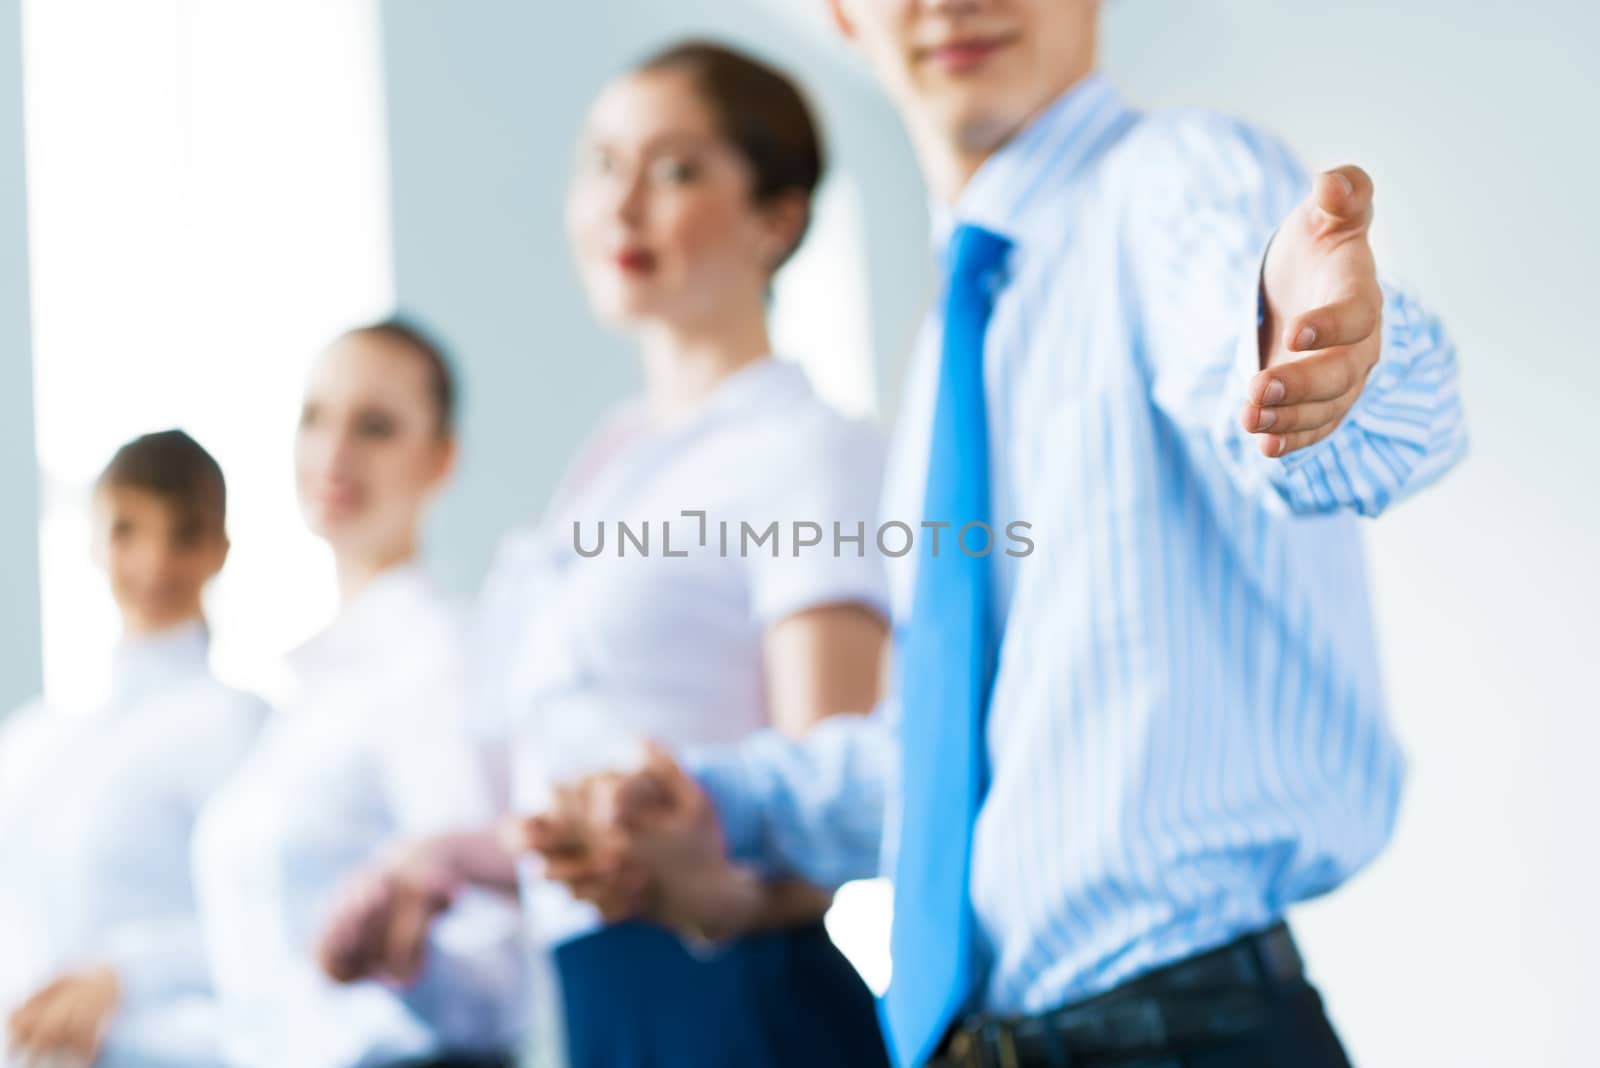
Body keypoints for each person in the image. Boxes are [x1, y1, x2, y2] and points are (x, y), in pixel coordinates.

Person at [525, 3, 1471, 1068]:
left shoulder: (1177, 180)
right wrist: (726, 800)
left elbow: (1281, 385)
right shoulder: (954, 338)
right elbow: (959, 762)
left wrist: (1332, 377)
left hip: (1183, 1036)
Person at [316, 41, 893, 1068]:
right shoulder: (606, 470)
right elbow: (565, 814)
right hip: (601, 1007)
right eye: (602, 163)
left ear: (777, 217)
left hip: (747, 1003)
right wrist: (431, 869)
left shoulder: (804, 451)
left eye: (674, 170)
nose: (620, 204)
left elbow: (840, 800)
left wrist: (703, 886)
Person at [190, 321, 524, 1068]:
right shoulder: (310, 696)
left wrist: (403, 958)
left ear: (441, 459)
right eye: (316, 417)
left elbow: (496, 970)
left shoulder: (434, 660)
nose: (334, 454)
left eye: (375, 426)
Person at [1, 430, 265, 1068]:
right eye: (127, 529)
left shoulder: (241, 727)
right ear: (94, 539)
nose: (154, 562)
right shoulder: (31, 741)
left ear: (221, 548)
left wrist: (124, 973)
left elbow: (277, 926)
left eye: (184, 533)